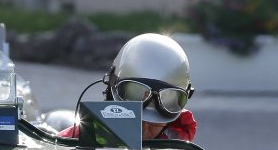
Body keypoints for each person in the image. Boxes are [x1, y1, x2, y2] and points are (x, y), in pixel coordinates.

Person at [56, 33, 198, 142]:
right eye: (137, 121)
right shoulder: (71, 141)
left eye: (154, 125)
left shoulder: (180, 146)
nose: (144, 134)